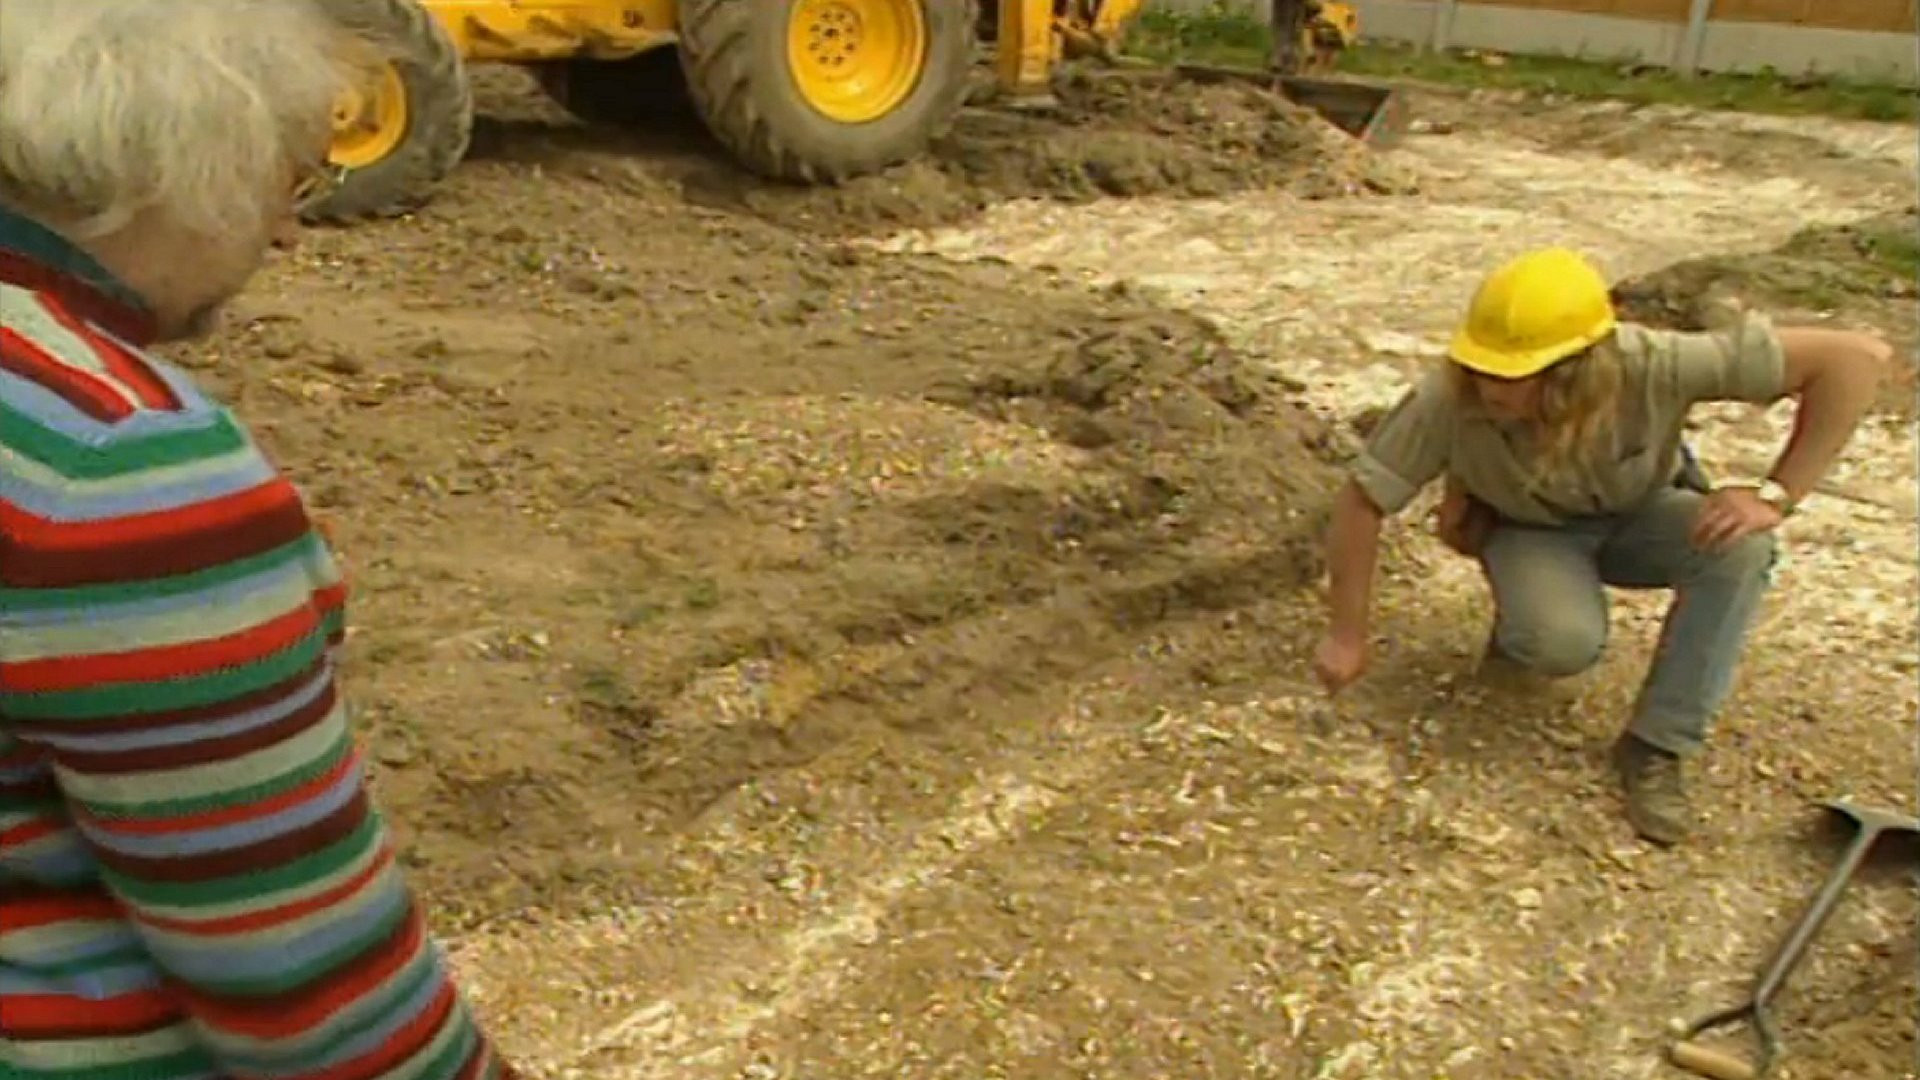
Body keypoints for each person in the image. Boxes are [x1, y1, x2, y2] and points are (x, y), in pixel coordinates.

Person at [0, 2, 516, 1078]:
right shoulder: (116, 465)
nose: (286, 234)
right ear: (192, 153)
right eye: (292, 177)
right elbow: (316, 1003)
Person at [1312, 247, 1887, 846]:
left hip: (1643, 513)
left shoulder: (1654, 363)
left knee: (1742, 551)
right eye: (1480, 367)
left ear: (1577, 367)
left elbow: (1856, 360)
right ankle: (1520, 632)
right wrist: (1346, 635)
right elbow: (1362, 502)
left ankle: (1658, 745)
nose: (1488, 386)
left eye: (1512, 374)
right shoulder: (1447, 398)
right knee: (1558, 641)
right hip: (1529, 528)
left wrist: (1776, 494)